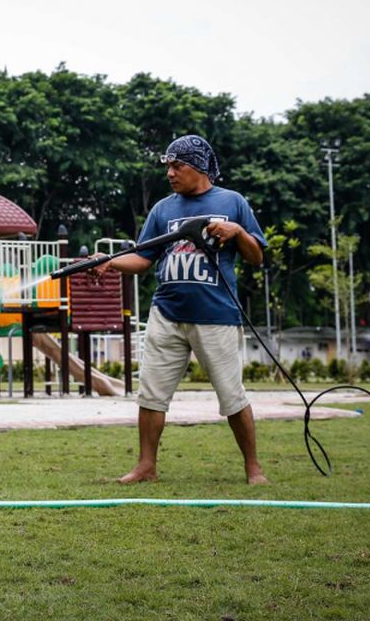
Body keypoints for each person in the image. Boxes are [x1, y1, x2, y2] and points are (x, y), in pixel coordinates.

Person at [95, 134, 269, 485]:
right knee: (151, 394)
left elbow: (256, 256)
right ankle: (146, 466)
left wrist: (237, 232)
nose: (170, 173)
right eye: (168, 167)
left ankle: (254, 469)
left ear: (199, 167)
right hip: (167, 313)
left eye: (178, 166)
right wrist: (110, 261)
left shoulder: (232, 202)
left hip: (217, 315)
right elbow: (144, 259)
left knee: (232, 396)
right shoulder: (163, 209)